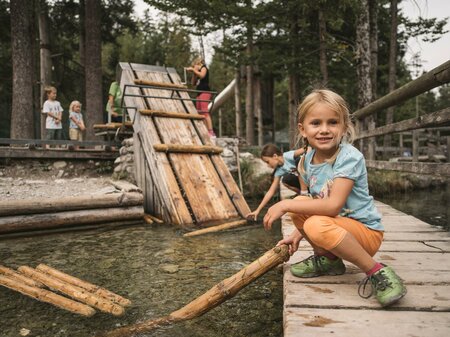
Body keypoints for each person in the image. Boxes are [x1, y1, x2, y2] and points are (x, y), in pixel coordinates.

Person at [263, 89, 406, 307]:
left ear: (344, 127)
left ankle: (377, 271)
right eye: (316, 123)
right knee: (301, 205)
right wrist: (296, 235)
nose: (324, 130)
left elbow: (332, 205)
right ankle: (329, 260)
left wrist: (284, 203)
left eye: (332, 122)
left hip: (365, 234)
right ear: (303, 129)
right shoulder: (308, 160)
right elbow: (315, 200)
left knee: (312, 221)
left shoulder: (349, 157)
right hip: (337, 228)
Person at [246, 144, 307, 221]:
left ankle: (304, 194)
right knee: (285, 180)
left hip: (309, 176)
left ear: (275, 156)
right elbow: (271, 191)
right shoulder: (279, 171)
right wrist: (258, 210)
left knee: (298, 162)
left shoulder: (287, 156)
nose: (268, 165)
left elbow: (305, 149)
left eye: (267, 162)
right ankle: (302, 194)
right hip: (304, 182)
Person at [186, 57, 215, 138]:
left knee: (205, 112)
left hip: (205, 92)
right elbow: (193, 83)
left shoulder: (204, 68)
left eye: (195, 65)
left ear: (198, 64)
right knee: (200, 112)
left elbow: (202, 76)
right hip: (199, 93)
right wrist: (194, 73)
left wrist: (194, 70)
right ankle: (205, 131)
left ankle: (211, 132)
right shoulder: (197, 71)